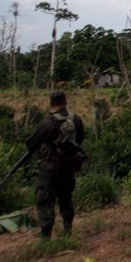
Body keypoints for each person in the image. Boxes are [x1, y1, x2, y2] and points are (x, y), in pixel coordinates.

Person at [26, 90, 84, 239]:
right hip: (68, 167)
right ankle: (67, 230)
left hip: (50, 169)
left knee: (45, 200)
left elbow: (31, 144)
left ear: (51, 104)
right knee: (65, 199)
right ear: (65, 102)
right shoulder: (76, 120)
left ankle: (46, 236)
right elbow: (80, 140)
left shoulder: (47, 123)